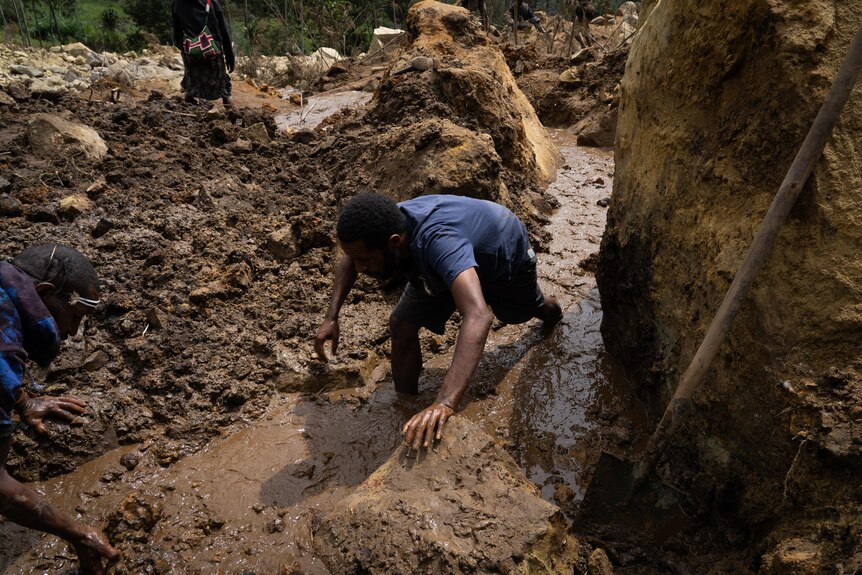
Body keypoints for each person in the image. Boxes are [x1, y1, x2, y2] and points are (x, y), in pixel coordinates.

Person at [314, 193, 562, 451]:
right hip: (443, 261)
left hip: (500, 249)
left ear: (394, 243)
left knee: (523, 310)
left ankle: (549, 309)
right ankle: (406, 403)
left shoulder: (439, 241)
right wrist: (331, 317)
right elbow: (351, 257)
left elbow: (479, 316)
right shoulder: (382, 225)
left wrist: (444, 403)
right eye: (357, 260)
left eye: (365, 261)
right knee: (401, 323)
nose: (360, 268)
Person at [0, 245, 120, 575]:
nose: (71, 333)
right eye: (76, 317)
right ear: (45, 293)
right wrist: (78, 534)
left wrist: (21, 401)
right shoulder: (4, 346)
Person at [172, 0, 236, 108]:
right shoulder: (211, 2)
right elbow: (223, 31)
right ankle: (236, 119)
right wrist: (230, 57)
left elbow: (177, 32)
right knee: (225, 92)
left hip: (192, 55)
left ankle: (191, 120)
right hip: (213, 54)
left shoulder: (177, 2)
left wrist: (187, 50)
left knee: (190, 90)